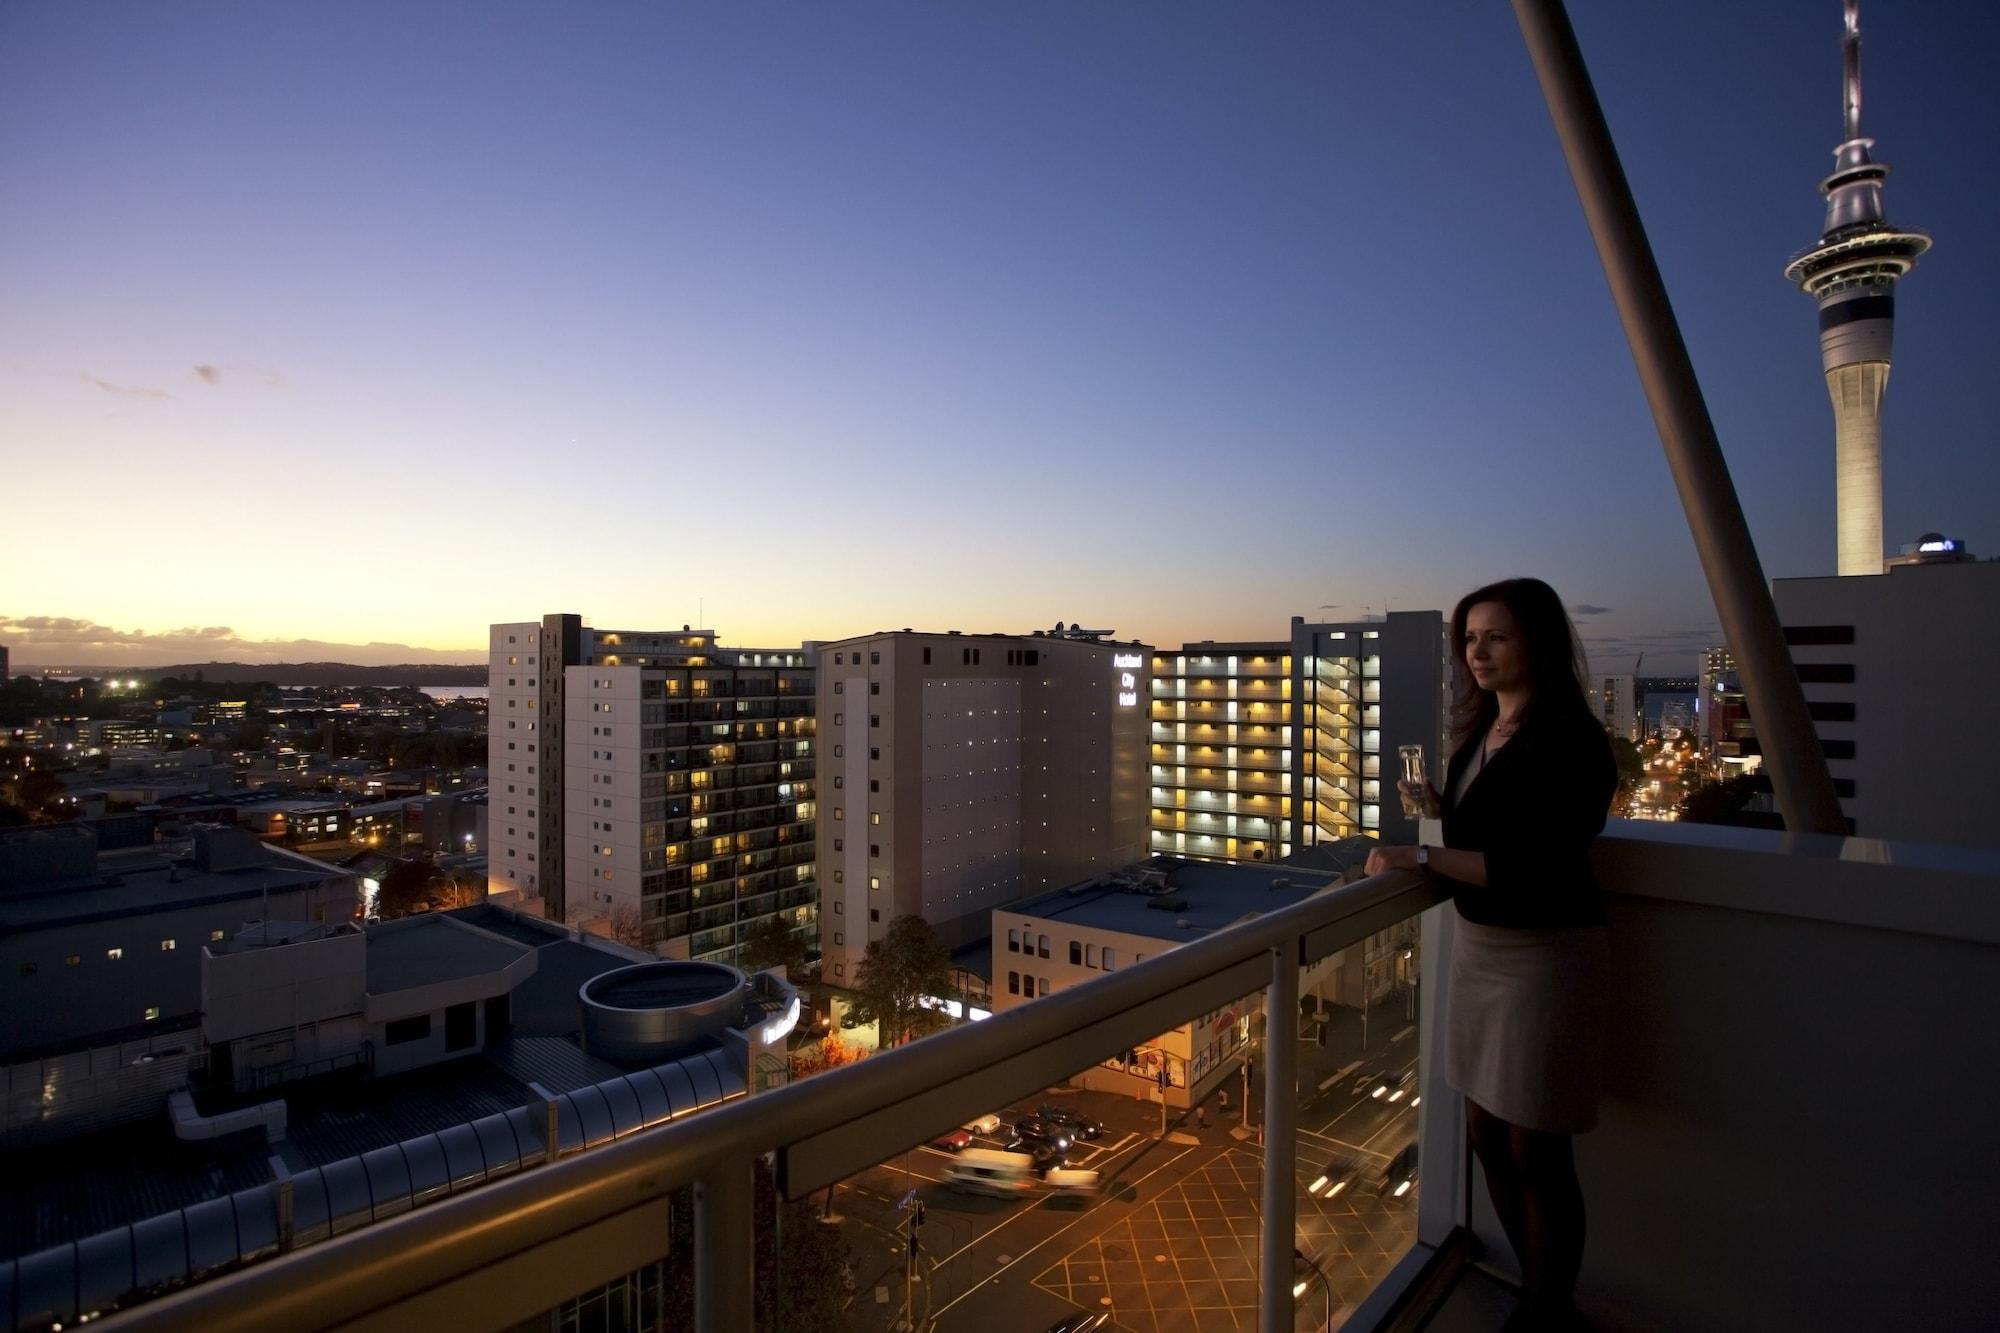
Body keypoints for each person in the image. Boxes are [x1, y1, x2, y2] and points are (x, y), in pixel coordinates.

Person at [1364, 577, 1615, 1330]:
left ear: (1535, 641)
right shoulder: (1484, 731)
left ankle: (1547, 1306)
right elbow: (1491, 837)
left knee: (1537, 1145)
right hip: (1480, 949)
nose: (1477, 651)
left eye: (1495, 636)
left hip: (1543, 955)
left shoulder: (1569, 739)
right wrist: (1440, 814)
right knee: (1483, 1133)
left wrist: (1422, 859)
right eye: (1469, 638)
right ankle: (1534, 1283)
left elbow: (1533, 864)